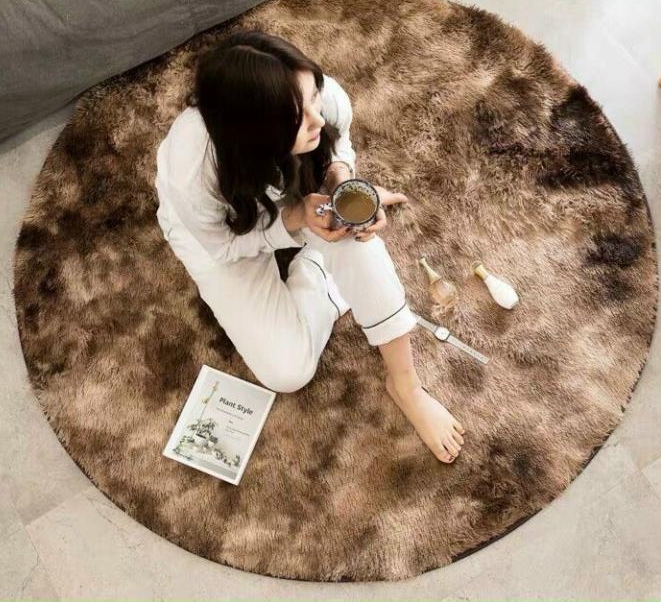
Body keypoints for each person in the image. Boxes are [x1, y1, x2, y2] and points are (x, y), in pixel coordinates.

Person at [154, 28, 465, 463]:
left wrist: (341, 178)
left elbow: (340, 140)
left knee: (354, 232)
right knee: (288, 371)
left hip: (293, 189)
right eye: (298, 118)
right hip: (226, 236)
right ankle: (319, 270)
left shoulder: (321, 100)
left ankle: (406, 385)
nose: (317, 119)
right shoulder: (193, 173)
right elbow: (222, 248)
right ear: (257, 133)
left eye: (314, 98)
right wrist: (296, 220)